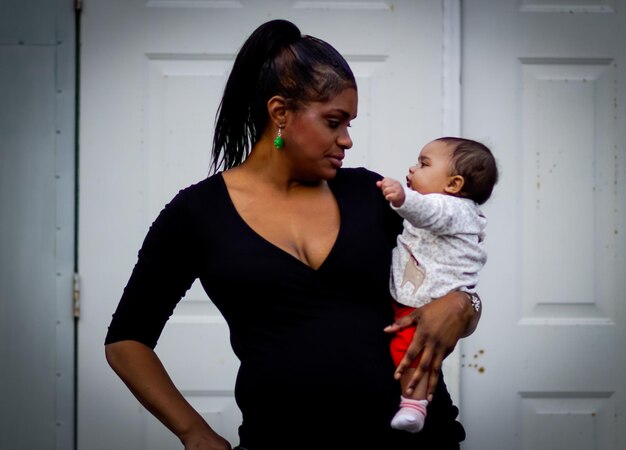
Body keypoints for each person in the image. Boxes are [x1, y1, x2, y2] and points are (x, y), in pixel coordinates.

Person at [104, 19, 481, 450]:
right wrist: (194, 432)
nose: (347, 140)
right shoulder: (197, 214)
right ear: (280, 112)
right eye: (334, 122)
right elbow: (126, 339)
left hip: (417, 440)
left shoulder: (372, 194)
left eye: (349, 124)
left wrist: (462, 303)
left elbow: (456, 275)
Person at [377, 137, 498, 433]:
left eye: (423, 163)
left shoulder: (451, 208)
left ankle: (414, 406)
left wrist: (402, 197)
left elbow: (428, 211)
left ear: (454, 185)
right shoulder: (447, 206)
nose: (412, 167)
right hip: (418, 293)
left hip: (427, 299)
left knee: (410, 350)